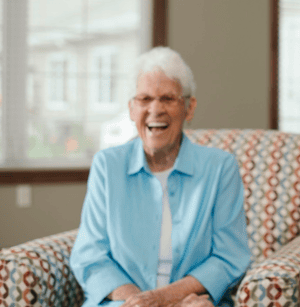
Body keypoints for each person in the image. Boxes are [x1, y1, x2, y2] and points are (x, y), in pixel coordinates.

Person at [70, 47, 251, 307]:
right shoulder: (107, 166)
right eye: (144, 99)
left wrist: (162, 299)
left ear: (189, 108)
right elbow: (90, 255)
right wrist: (139, 302)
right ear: (132, 109)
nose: (156, 109)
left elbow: (229, 256)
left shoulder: (220, 168)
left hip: (191, 302)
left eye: (167, 98)